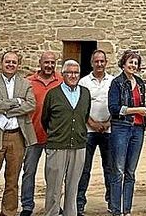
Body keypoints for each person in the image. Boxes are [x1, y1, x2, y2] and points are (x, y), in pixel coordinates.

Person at [0, 51, 37, 216]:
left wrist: (7, 110)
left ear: (18, 65)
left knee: (12, 181)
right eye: (7, 61)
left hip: (17, 136)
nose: (11, 64)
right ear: (1, 63)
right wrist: (16, 102)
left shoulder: (25, 84)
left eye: (14, 62)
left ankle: (9, 212)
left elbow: (31, 105)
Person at [42, 60, 92, 216]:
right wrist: (57, 134)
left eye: (76, 72)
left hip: (78, 146)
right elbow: (45, 119)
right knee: (54, 189)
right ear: (62, 74)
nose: (73, 75)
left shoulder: (85, 93)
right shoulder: (53, 94)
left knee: (73, 188)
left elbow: (84, 116)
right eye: (69, 72)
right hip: (57, 146)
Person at [108, 50, 146, 216]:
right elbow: (113, 108)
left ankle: (126, 209)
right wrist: (136, 110)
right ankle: (116, 209)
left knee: (131, 171)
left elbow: (141, 106)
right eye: (130, 62)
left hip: (138, 129)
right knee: (118, 170)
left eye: (135, 63)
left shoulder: (140, 83)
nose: (133, 65)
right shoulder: (116, 83)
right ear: (123, 64)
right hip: (121, 128)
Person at [21, 52, 63, 216]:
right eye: (46, 62)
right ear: (40, 63)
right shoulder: (28, 82)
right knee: (29, 172)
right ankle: (27, 206)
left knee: (54, 174)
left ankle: (53, 206)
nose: (49, 66)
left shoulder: (61, 81)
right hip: (33, 134)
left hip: (54, 136)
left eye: (52, 63)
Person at [77, 50, 115, 216]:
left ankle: (113, 202)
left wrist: (107, 123)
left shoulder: (113, 81)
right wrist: (91, 122)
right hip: (88, 131)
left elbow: (116, 104)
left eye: (102, 61)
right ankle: (79, 204)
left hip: (108, 130)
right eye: (96, 61)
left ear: (106, 62)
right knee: (84, 169)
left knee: (110, 168)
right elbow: (79, 106)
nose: (99, 64)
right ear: (92, 63)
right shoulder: (84, 82)